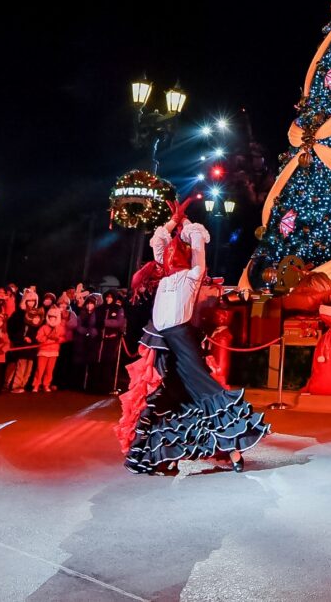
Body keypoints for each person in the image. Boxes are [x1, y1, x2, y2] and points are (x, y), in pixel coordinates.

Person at [115, 201, 268, 475]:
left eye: (177, 252)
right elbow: (158, 242)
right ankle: (169, 454)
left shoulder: (193, 275)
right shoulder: (164, 277)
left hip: (182, 341)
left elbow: (198, 243)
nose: (170, 256)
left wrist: (186, 225)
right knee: (165, 399)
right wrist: (174, 220)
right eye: (170, 253)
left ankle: (233, 449)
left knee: (204, 390)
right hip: (163, 345)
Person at [33, 305, 63, 392]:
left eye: (54, 317)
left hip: (54, 352)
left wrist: (58, 339)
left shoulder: (60, 328)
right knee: (40, 370)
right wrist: (47, 337)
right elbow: (38, 338)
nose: (52, 319)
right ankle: (36, 385)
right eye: (51, 317)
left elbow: (64, 337)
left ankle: (46, 385)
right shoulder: (43, 327)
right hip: (43, 351)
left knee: (49, 370)